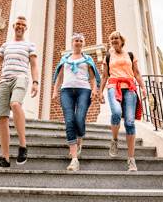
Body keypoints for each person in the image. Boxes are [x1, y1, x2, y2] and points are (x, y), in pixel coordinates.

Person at [0, 16, 39, 169]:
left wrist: (35, 82)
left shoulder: (29, 45)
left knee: (15, 104)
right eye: (18, 24)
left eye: (23, 25)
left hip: (20, 78)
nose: (20, 26)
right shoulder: (5, 45)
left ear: (26, 28)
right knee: (2, 118)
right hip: (4, 81)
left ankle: (23, 146)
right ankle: (5, 159)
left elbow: (33, 65)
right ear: (14, 26)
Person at [52, 33, 101, 171]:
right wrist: (55, 91)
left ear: (83, 43)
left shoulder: (87, 59)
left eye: (80, 41)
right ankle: (74, 159)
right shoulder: (65, 59)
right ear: (72, 43)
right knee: (69, 120)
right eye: (76, 41)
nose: (78, 43)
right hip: (66, 91)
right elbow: (60, 76)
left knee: (79, 118)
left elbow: (92, 78)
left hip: (83, 90)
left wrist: (94, 89)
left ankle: (80, 139)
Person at [99, 31, 146, 171]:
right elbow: (104, 76)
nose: (114, 40)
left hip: (130, 88)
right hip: (114, 86)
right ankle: (114, 140)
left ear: (121, 40)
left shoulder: (129, 55)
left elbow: (136, 73)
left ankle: (131, 159)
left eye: (116, 38)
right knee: (116, 113)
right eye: (112, 38)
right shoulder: (108, 56)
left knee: (130, 122)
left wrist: (143, 88)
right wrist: (100, 92)